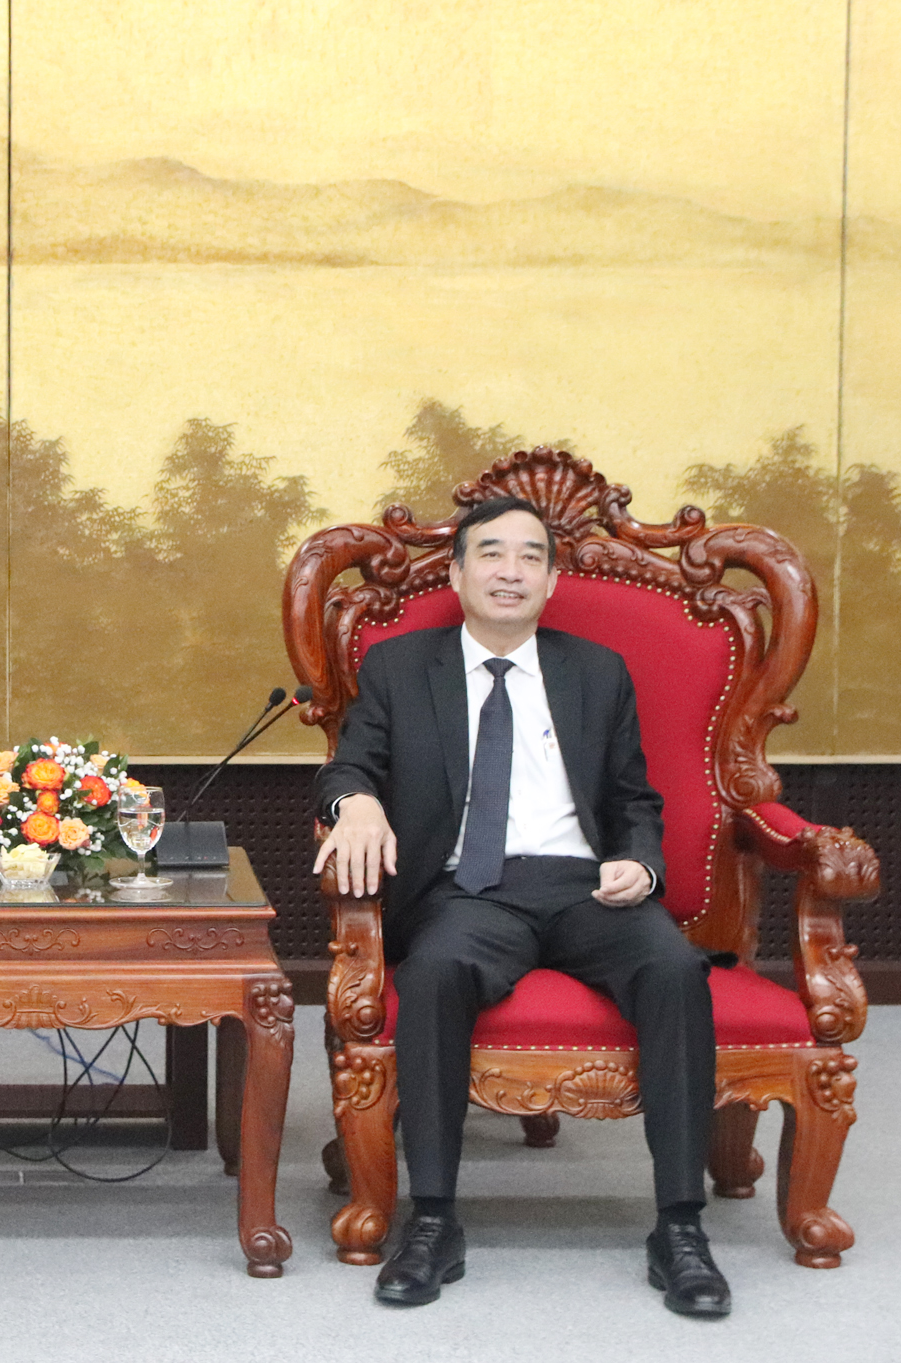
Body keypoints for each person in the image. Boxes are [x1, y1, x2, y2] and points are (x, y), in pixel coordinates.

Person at [312, 495, 730, 1318]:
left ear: (549, 578)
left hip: (585, 888)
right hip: (470, 888)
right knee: (432, 972)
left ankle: (680, 1226)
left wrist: (642, 866)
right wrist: (353, 801)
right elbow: (347, 765)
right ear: (460, 572)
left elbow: (634, 797)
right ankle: (432, 1219)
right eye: (493, 554)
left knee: (677, 970)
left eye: (531, 556)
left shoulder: (596, 670)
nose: (511, 570)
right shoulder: (401, 666)